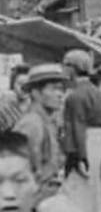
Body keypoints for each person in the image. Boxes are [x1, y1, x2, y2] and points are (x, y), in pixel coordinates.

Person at [61, 49, 101, 212]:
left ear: (73, 68)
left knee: (82, 191)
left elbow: (77, 125)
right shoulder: (100, 94)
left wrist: (79, 157)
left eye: (65, 66)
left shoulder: (74, 96)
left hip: (85, 143)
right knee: (100, 191)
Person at [13, 63, 66, 202]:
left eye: (61, 89)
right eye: (54, 89)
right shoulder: (32, 123)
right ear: (36, 93)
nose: (60, 94)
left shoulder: (47, 121)